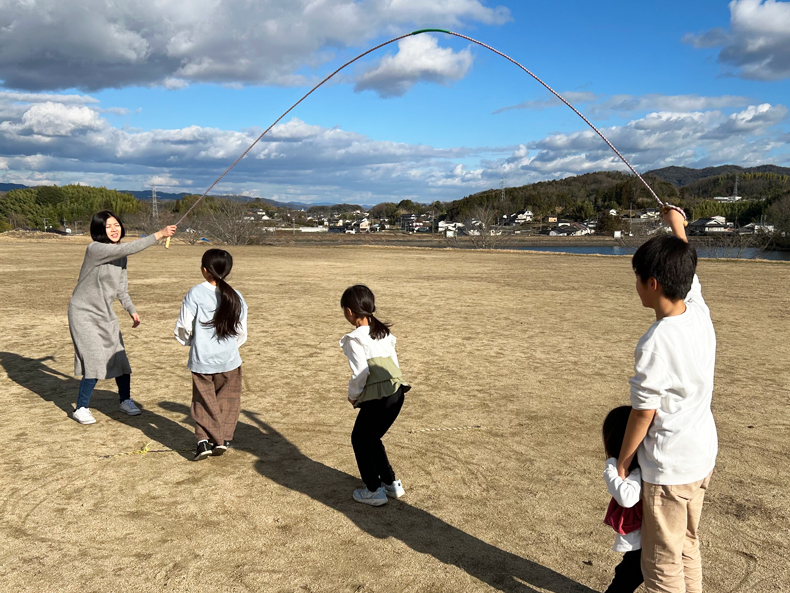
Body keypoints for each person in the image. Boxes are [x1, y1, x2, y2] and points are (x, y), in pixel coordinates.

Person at [617, 206, 718, 593]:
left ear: (653, 283)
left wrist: (623, 462)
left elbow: (643, 413)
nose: (637, 285)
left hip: (670, 469)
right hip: (700, 457)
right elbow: (688, 271)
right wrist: (676, 226)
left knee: (661, 564)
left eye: (638, 279)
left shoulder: (656, 342)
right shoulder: (698, 312)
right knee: (687, 544)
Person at [69, 211, 176, 425]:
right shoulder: (95, 249)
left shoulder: (120, 255)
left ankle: (125, 400)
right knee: (95, 358)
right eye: (108, 226)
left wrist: (131, 309)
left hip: (104, 312)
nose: (114, 229)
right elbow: (129, 247)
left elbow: (121, 288)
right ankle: (81, 407)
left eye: (116, 224)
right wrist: (160, 234)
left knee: (119, 357)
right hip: (83, 313)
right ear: (99, 230)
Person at [339, 285, 410, 506]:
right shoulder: (383, 331)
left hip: (379, 397)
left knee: (359, 439)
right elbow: (394, 365)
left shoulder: (354, 339)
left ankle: (373, 490)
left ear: (350, 312)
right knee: (371, 437)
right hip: (397, 392)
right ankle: (390, 483)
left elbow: (360, 372)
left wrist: (354, 395)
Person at [174, 249, 247, 461]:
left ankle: (204, 441)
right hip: (229, 359)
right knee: (228, 400)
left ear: (205, 270)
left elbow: (183, 326)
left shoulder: (195, 293)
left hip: (202, 359)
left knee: (203, 401)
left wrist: (191, 342)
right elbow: (241, 332)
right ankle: (221, 438)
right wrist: (230, 348)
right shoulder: (237, 296)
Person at [602, 406, 644, 593]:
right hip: (645, 539)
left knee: (627, 576)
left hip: (645, 540)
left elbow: (627, 498)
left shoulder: (636, 472)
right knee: (627, 572)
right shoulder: (642, 467)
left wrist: (612, 467)